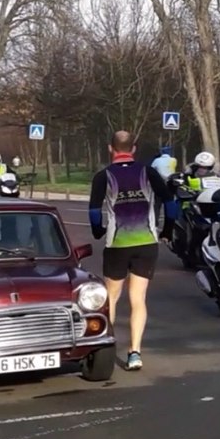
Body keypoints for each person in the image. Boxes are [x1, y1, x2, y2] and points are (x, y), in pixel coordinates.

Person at [88, 131, 175, 372]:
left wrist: (97, 231)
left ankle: (106, 346)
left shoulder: (103, 176)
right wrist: (166, 229)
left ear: (110, 148)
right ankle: (135, 352)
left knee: (111, 297)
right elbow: (170, 202)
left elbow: (94, 210)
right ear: (133, 149)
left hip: (117, 244)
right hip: (146, 242)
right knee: (138, 299)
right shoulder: (149, 172)